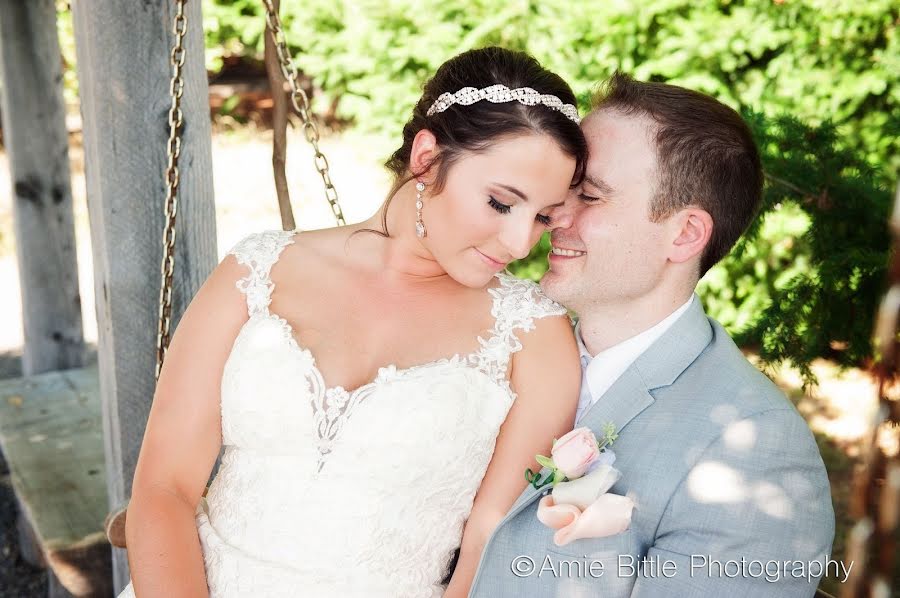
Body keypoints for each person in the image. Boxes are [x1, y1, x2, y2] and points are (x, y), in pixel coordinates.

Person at [116, 46, 588, 598]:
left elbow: (489, 545)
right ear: (427, 158)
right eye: (502, 203)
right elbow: (164, 486)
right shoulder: (257, 270)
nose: (520, 243)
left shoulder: (535, 337)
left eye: (544, 218)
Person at [469, 73, 835, 597]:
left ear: (684, 235)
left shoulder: (755, 457)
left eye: (589, 196)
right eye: (564, 191)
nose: (553, 216)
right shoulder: (497, 346)